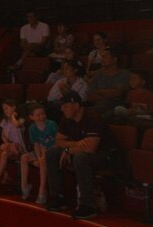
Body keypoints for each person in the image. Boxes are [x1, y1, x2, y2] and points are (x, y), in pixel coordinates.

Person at [46, 91, 113, 219]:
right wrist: (76, 144)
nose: (62, 109)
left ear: (76, 105)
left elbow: (90, 148)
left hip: (103, 155)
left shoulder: (92, 117)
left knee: (80, 157)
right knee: (52, 153)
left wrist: (68, 150)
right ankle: (58, 197)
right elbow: (59, 141)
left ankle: (87, 205)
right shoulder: (67, 118)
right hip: (80, 150)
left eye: (65, 106)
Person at [20, 103, 58, 205]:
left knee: (42, 161)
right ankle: (24, 187)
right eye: (38, 115)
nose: (41, 117)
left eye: (43, 114)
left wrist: (42, 157)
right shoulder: (32, 128)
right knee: (24, 157)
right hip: (41, 150)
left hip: (53, 151)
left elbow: (58, 142)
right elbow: (36, 144)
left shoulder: (51, 125)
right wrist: (38, 156)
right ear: (32, 117)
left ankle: (42, 191)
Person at [0, 99, 25, 187]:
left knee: (4, 154)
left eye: (7, 108)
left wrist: (13, 116)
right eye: (4, 109)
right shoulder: (4, 121)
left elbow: (17, 125)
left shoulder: (21, 119)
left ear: (13, 108)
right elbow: (3, 136)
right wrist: (7, 143)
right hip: (10, 145)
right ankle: (5, 175)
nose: (5, 111)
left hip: (19, 147)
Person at [85, 50, 130, 118]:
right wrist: (109, 93)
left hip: (116, 108)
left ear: (114, 59)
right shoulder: (97, 75)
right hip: (97, 108)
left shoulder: (124, 74)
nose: (102, 59)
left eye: (105, 57)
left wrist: (99, 91)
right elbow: (89, 96)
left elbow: (119, 93)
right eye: (101, 57)